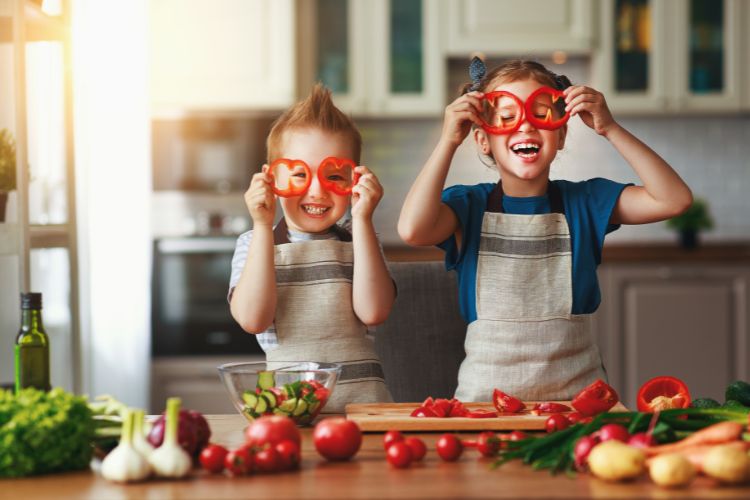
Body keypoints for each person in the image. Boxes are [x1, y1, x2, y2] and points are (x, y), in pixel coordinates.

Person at [398, 58, 692, 402]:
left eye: (540, 114)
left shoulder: (585, 201)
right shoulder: (468, 207)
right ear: (482, 140)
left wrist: (609, 127)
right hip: (483, 410)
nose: (524, 127)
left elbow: (673, 200)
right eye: (507, 117)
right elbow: (412, 230)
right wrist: (447, 141)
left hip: (579, 410)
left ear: (562, 133)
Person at [229, 84, 394, 411]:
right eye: (299, 175)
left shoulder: (362, 240)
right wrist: (263, 225)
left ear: (355, 180)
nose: (317, 191)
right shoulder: (255, 243)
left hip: (364, 411)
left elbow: (374, 312)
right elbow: (253, 319)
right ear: (271, 180)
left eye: (334, 175)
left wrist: (363, 220)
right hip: (292, 411)